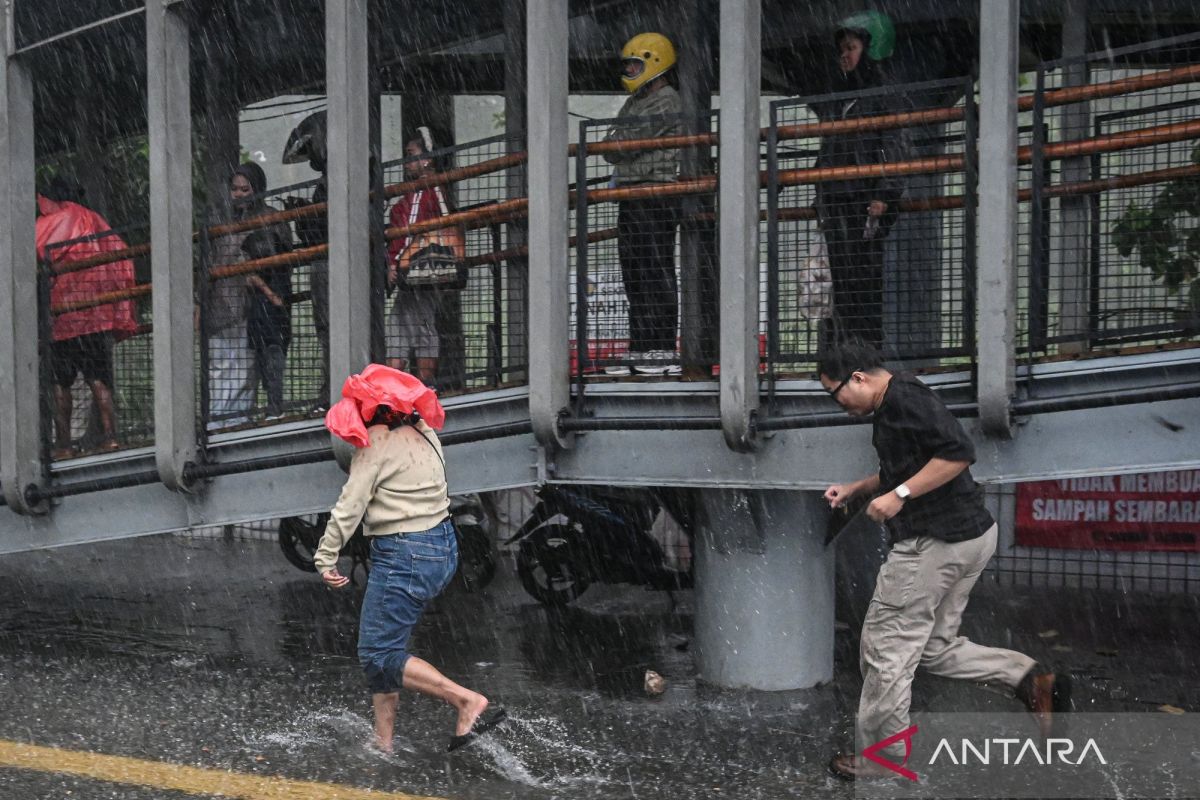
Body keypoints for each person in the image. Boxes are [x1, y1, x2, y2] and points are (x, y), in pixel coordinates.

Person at [817, 342, 1070, 780]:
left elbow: (957, 453)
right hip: (968, 536)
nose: (836, 404)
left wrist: (898, 497)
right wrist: (858, 487)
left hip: (933, 543)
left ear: (857, 378)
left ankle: (883, 758)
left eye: (834, 392)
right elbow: (911, 463)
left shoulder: (904, 399)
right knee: (933, 648)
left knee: (885, 648)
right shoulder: (898, 398)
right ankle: (1029, 680)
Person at [315, 364, 504, 753]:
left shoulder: (375, 444)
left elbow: (349, 507)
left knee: (378, 652)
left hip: (405, 554)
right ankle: (383, 742)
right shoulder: (426, 431)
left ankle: (466, 700)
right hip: (442, 547)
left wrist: (325, 556)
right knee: (386, 646)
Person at [810, 11, 909, 351]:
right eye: (843, 48)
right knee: (842, 279)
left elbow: (895, 145)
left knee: (862, 279)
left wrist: (885, 193)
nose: (845, 55)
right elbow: (831, 149)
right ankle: (846, 350)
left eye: (851, 47)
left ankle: (863, 351)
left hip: (863, 199)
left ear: (871, 48)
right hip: (840, 199)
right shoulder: (844, 95)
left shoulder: (883, 94)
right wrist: (820, 192)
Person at [36, 178, 139, 458]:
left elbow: (39, 259)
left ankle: (64, 445)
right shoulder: (95, 220)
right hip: (95, 315)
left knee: (60, 383)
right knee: (99, 378)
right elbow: (121, 255)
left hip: (63, 317)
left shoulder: (52, 223)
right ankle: (110, 437)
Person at [603, 32, 683, 377]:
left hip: (655, 196)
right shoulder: (635, 101)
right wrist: (618, 143)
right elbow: (613, 144)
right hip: (632, 196)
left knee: (656, 271)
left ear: (654, 62)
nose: (631, 70)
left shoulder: (667, 99)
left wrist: (618, 143)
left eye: (635, 64)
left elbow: (623, 143)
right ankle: (641, 349)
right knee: (634, 275)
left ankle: (661, 349)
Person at [206, 163, 292, 428]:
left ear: (257, 189)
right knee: (219, 367)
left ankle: (235, 424)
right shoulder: (223, 222)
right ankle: (218, 423)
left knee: (246, 368)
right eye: (235, 189)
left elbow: (279, 258)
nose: (239, 194)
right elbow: (208, 264)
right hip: (221, 305)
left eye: (246, 189)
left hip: (253, 306)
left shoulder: (269, 217)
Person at [385, 127, 463, 386]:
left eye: (411, 154)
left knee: (421, 327)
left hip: (425, 271)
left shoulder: (435, 190)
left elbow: (443, 225)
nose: (407, 161)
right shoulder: (408, 197)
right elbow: (400, 237)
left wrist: (405, 259)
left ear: (427, 159)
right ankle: (401, 387)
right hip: (409, 274)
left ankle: (422, 385)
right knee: (400, 325)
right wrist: (393, 263)